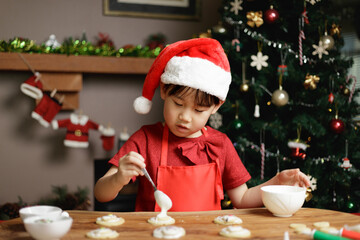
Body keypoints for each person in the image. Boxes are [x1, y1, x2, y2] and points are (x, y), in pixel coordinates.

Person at [94, 38, 310, 211]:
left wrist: (277, 181)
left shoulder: (220, 144)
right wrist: (118, 178)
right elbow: (101, 194)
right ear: (163, 91)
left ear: (215, 107)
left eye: (198, 110)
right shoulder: (145, 139)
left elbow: (242, 199)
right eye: (178, 104)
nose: (185, 117)